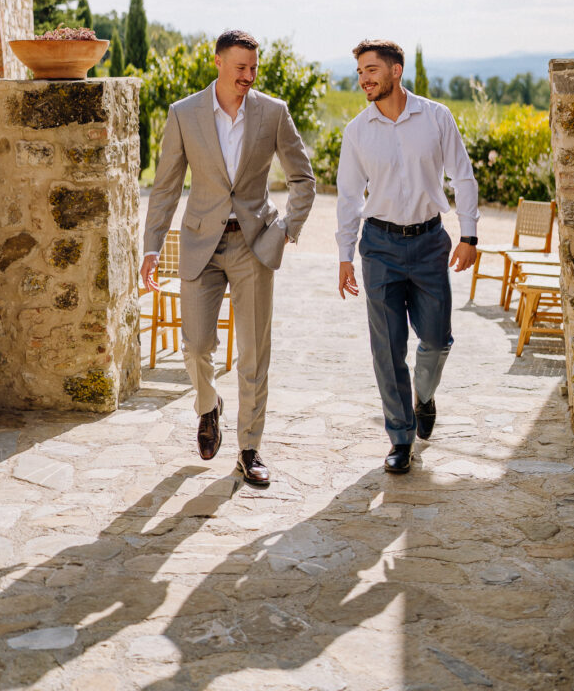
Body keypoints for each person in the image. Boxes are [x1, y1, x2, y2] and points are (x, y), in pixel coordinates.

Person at [141, 29, 315, 487]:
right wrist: (152, 246)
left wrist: (286, 231)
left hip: (254, 245)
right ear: (217, 63)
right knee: (197, 345)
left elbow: (303, 178)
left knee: (255, 353)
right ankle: (207, 406)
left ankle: (249, 448)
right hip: (201, 243)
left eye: (254, 68)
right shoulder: (184, 115)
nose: (249, 76)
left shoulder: (273, 113)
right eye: (241, 68)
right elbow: (165, 186)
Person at [336, 39, 479, 474]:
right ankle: (400, 436)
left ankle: (424, 395)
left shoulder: (436, 117)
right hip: (379, 248)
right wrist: (345, 255)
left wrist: (469, 233)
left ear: (396, 71)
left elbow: (463, 175)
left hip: (429, 242)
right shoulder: (357, 131)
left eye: (372, 70)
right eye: (360, 71)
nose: (364, 79)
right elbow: (347, 198)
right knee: (387, 347)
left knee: (437, 338)